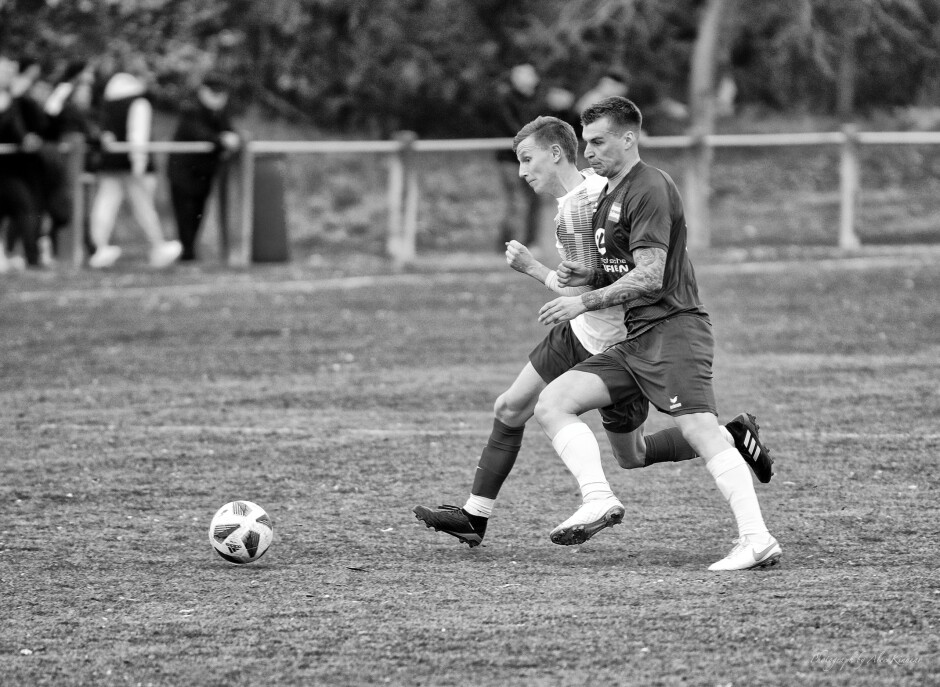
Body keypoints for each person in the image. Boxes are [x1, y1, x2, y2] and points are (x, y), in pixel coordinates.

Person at [413, 115, 773, 549]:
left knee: (632, 454)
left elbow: (607, 283)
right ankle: (476, 515)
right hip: (580, 332)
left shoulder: (590, 202)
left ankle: (724, 438)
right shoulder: (573, 203)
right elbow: (592, 277)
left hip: (615, 337)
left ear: (555, 153)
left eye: (528, 159)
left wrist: (534, 270)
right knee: (510, 408)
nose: (523, 171)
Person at [532, 96, 780, 571]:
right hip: (634, 337)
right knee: (557, 405)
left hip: (673, 327)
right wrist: (571, 276)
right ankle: (599, 499)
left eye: (600, 142)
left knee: (697, 429)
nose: (589, 153)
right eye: (586, 143)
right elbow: (614, 273)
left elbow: (648, 276)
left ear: (630, 138)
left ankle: (757, 538)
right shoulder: (605, 195)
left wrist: (581, 302)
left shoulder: (650, 188)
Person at [88, 61, 181, 269]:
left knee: (105, 203)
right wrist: (138, 164)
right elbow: (137, 136)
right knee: (143, 206)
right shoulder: (138, 103)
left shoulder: (109, 100)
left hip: (110, 161)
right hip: (130, 163)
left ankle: (99, 246)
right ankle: (158, 245)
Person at [166, 72, 239, 262]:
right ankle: (187, 252)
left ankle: (189, 252)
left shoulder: (219, 112)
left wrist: (232, 137)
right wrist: (221, 140)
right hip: (184, 172)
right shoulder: (191, 108)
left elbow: (228, 129)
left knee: (198, 213)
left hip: (204, 173)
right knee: (185, 213)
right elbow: (199, 133)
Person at [0, 55, 44, 271]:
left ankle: (30, 257)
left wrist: (26, 139)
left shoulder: (15, 100)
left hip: (12, 168)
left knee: (25, 208)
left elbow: (26, 128)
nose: (9, 76)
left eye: (11, 72)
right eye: (5, 71)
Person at [492, 64, 543, 250]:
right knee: (515, 202)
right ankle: (507, 245)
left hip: (533, 159)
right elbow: (512, 126)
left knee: (534, 200)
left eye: (527, 74)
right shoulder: (505, 99)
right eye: (519, 75)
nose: (523, 78)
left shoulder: (539, 101)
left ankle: (531, 241)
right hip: (509, 159)